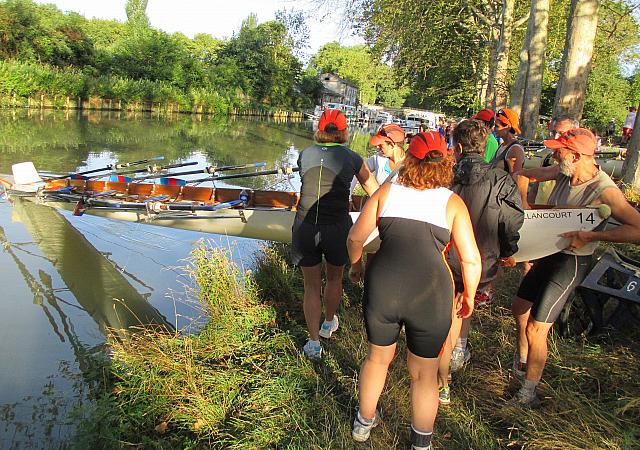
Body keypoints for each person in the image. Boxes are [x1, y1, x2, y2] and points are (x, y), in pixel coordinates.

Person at [347, 131, 481, 449]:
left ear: (410, 160)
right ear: (446, 163)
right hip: (431, 292)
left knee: (377, 360)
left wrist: (356, 266)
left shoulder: (387, 192)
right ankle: (421, 443)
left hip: (384, 285)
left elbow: (355, 238)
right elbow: (471, 260)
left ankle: (363, 424)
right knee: (424, 372)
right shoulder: (452, 202)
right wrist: (470, 295)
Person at [510, 128, 640, 406]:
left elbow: (637, 229)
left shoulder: (604, 190)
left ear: (577, 155)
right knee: (520, 308)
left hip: (572, 261)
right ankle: (523, 363)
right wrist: (525, 204)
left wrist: (593, 236)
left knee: (536, 328)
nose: (554, 154)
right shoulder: (564, 171)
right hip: (547, 252)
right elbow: (525, 175)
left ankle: (528, 393)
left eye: (560, 150)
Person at [437, 120, 524, 404]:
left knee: (449, 312)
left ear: (458, 147)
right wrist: (508, 251)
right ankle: (458, 350)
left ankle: (444, 375)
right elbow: (512, 222)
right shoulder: (501, 179)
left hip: (446, 257)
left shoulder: (446, 176)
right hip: (483, 260)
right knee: (466, 302)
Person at [293, 109, 379, 359]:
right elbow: (374, 191)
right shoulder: (353, 157)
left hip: (305, 226)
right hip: (336, 227)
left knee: (311, 285)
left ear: (319, 130)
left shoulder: (304, 154)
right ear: (344, 131)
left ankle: (313, 343)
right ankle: (329, 322)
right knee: (333, 279)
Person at [352, 124, 406, 189]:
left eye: (381, 145)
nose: (377, 147)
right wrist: (348, 196)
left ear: (391, 145)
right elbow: (357, 171)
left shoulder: (411, 166)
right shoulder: (378, 158)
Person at [491, 108, 525, 175]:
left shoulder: (515, 149)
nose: (493, 128)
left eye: (496, 126)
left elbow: (515, 178)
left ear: (508, 127)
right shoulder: (502, 145)